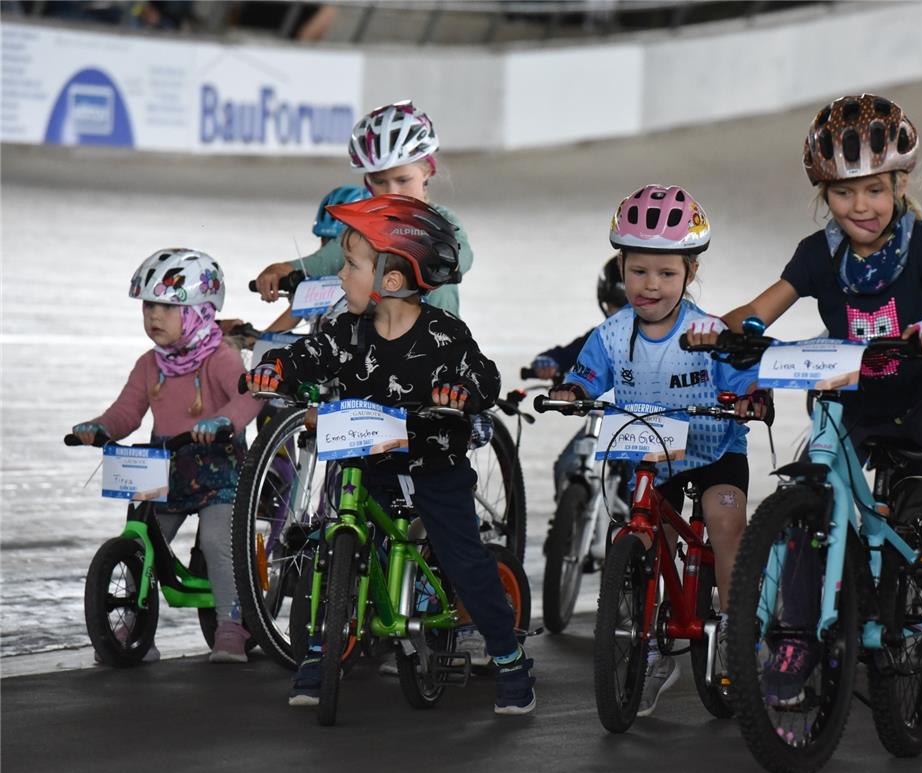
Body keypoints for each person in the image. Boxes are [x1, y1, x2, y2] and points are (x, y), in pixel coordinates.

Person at [689, 94, 922, 704]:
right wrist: (716, 327)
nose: (862, 206)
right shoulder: (817, 254)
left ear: (900, 184)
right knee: (806, 504)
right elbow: (761, 308)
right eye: (843, 193)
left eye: (876, 190)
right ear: (824, 196)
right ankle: (798, 634)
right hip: (850, 398)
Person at [244, 195, 535, 715]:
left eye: (351, 266)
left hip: (433, 461)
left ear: (391, 281)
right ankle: (320, 649)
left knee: (465, 559)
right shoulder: (347, 331)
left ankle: (509, 658)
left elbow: (484, 378)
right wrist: (276, 371)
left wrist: (459, 395)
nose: (341, 278)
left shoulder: (445, 335)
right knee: (329, 542)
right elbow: (306, 356)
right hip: (367, 460)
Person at [548, 185, 768, 717]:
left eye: (667, 274)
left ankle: (742, 634)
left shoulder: (708, 331)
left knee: (722, 520)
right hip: (653, 454)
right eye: (639, 271)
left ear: (690, 274)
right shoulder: (610, 332)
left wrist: (749, 400)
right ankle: (652, 648)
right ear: (620, 267)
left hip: (714, 448)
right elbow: (586, 376)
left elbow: (743, 376)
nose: (651, 285)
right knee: (655, 540)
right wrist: (573, 392)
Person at [72, 249, 262, 663]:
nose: (154, 315)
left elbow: (249, 396)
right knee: (140, 538)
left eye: (167, 307)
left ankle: (232, 625)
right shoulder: (149, 365)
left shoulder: (219, 358)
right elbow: (127, 411)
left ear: (199, 312)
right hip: (164, 467)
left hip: (219, 472)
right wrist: (101, 427)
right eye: (149, 306)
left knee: (216, 541)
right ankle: (137, 630)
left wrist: (223, 422)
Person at [252, 102, 472, 318]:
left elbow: (463, 257)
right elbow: (326, 260)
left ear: (427, 172)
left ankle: (443, 352)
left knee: (442, 284)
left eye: (403, 179)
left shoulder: (442, 221)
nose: (392, 191)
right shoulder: (365, 223)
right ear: (367, 182)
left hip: (428, 339)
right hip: (368, 335)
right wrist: (284, 268)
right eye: (380, 181)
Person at [531, 257, 627, 502]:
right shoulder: (602, 337)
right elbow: (565, 354)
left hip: (648, 422)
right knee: (565, 467)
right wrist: (547, 361)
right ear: (604, 303)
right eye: (616, 304)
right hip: (603, 421)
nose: (622, 313)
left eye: (628, 305)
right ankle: (569, 536)